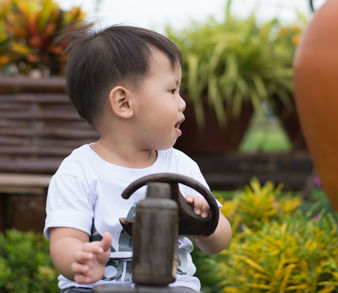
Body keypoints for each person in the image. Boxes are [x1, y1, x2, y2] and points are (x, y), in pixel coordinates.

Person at [43, 25, 232, 293]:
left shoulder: (180, 166)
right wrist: (80, 259)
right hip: (95, 287)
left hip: (172, 287)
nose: (182, 103)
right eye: (171, 91)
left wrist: (206, 222)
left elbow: (219, 241)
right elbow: (64, 240)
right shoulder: (79, 170)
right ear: (124, 102)